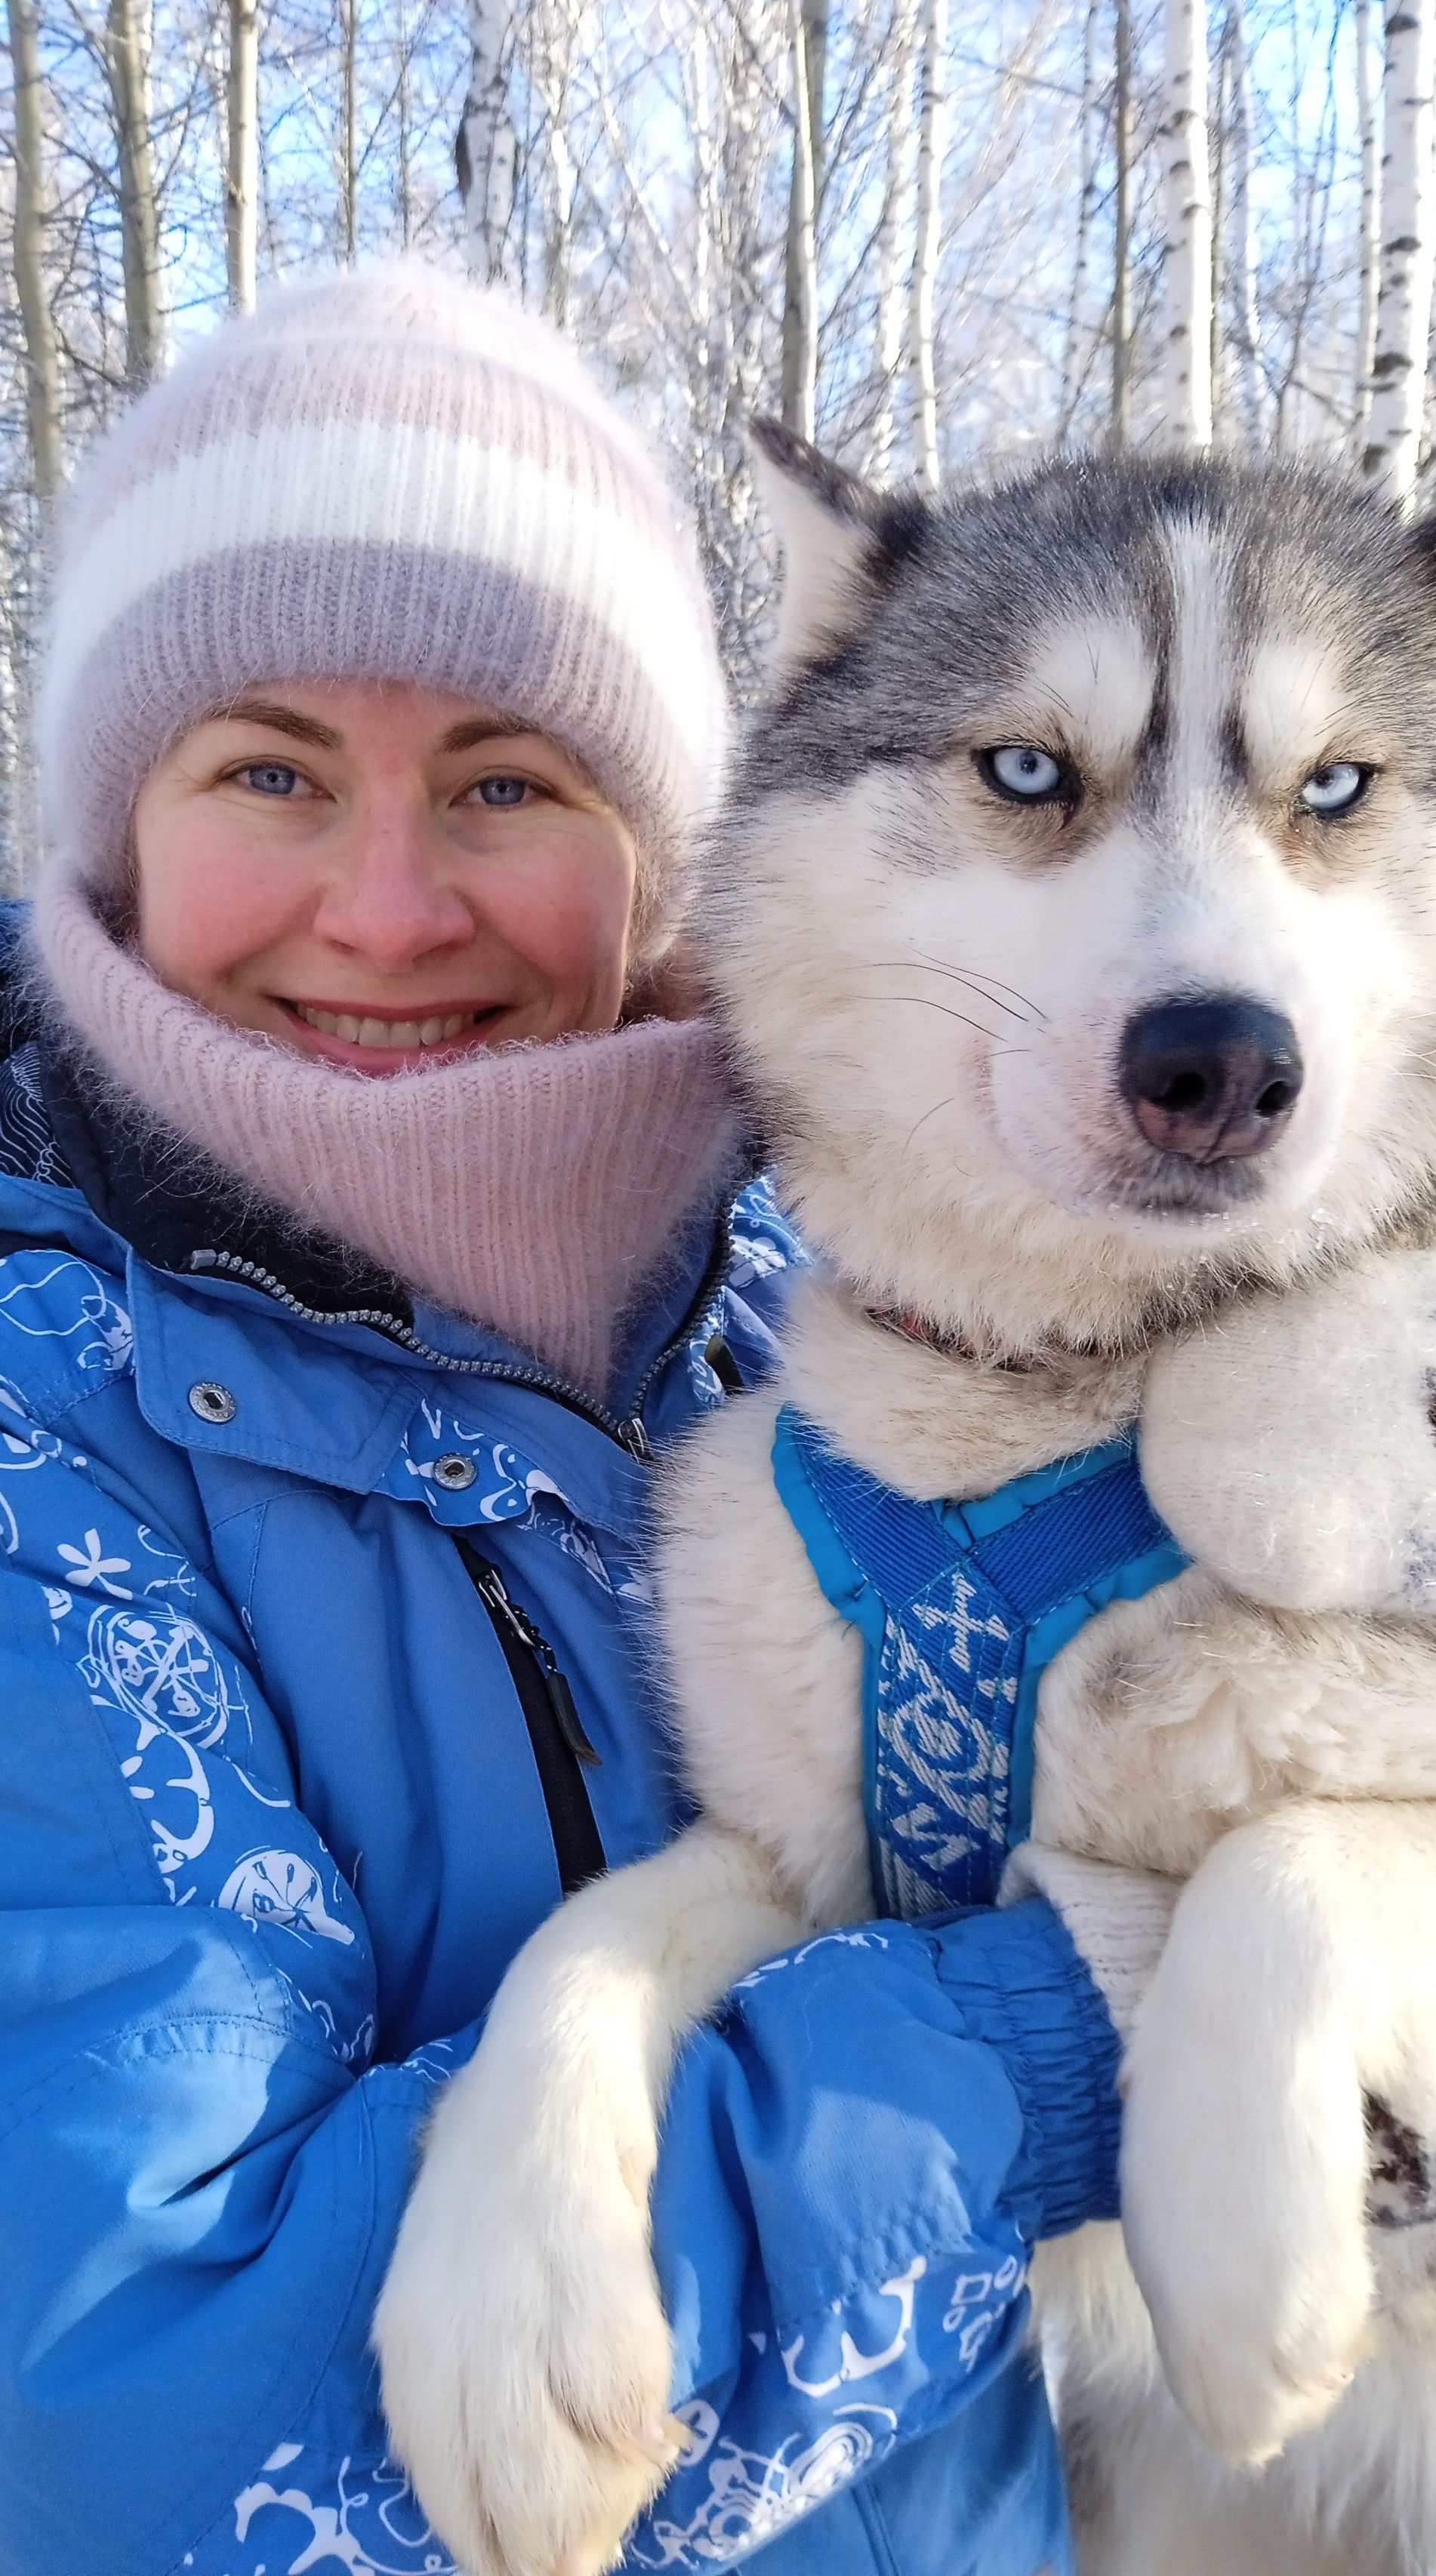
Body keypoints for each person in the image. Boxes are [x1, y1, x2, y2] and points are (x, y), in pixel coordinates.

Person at [0, 263, 1172, 2576]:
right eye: (269, 769)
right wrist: (1091, 2024)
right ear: (114, 829)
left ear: (662, 855)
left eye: (508, 780)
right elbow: (162, 2440)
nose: (393, 902)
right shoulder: (56, 1439)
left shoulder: (840, 1316)